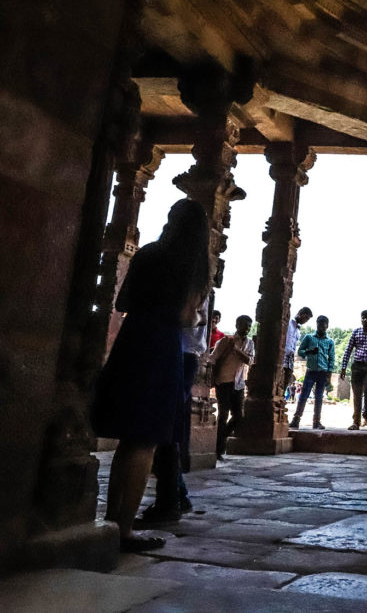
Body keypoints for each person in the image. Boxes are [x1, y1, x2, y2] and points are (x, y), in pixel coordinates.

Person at [92, 198, 209, 552]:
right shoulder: (192, 263)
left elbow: (122, 303)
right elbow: (188, 317)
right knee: (145, 440)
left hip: (132, 340)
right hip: (161, 345)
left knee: (129, 437)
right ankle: (124, 528)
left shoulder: (148, 254)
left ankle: (113, 521)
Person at [137, 295, 209, 525]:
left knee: (164, 425)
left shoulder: (193, 281)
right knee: (166, 425)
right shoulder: (195, 279)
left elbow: (196, 318)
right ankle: (176, 495)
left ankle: (170, 500)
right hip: (180, 352)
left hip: (181, 353)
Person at [211, 315, 255, 460]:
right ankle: (218, 449)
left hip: (238, 383)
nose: (247, 329)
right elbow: (214, 357)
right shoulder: (225, 341)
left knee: (238, 417)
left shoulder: (249, 343)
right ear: (237, 325)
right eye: (244, 325)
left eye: (249, 326)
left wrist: (236, 350)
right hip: (224, 380)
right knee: (223, 415)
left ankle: (220, 439)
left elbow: (250, 360)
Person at [290, 315, 334, 430]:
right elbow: (300, 351)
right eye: (320, 324)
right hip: (311, 371)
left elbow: (331, 359)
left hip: (322, 372)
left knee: (319, 397)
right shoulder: (309, 338)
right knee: (303, 396)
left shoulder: (330, 341)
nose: (322, 327)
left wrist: (329, 375)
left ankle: (316, 422)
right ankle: (296, 419)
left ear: (327, 326)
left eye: (324, 325)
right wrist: (309, 351)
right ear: (316, 324)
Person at [283, 307, 313, 405]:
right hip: (283, 354)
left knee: (287, 378)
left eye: (308, 319)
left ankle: (281, 397)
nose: (305, 321)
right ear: (301, 313)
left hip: (290, 357)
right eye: (306, 318)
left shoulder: (298, 330)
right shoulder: (288, 323)